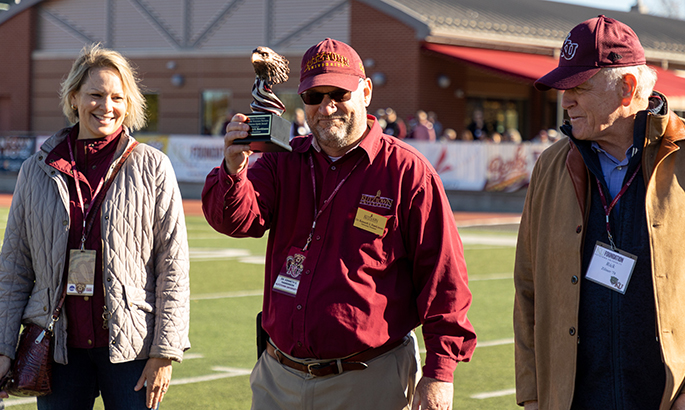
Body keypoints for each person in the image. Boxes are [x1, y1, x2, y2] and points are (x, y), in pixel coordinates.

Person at [202, 38, 476, 410]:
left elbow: (443, 280)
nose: (326, 106)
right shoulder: (282, 159)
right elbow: (236, 221)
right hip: (278, 376)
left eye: (339, 93)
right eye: (314, 97)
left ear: (365, 91)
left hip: (369, 380)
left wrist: (440, 373)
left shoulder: (407, 172)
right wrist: (233, 170)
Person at [514, 15, 685, 410]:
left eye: (579, 87)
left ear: (627, 88)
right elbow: (528, 289)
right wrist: (534, 395)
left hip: (675, 400)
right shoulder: (550, 166)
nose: (565, 99)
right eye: (563, 87)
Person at [0, 44, 190, 410]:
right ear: (74, 98)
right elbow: (14, 268)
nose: (107, 106)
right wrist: (3, 348)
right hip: (57, 350)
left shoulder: (153, 167)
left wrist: (165, 351)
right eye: (96, 95)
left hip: (131, 350)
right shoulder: (36, 170)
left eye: (118, 97)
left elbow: (173, 266)